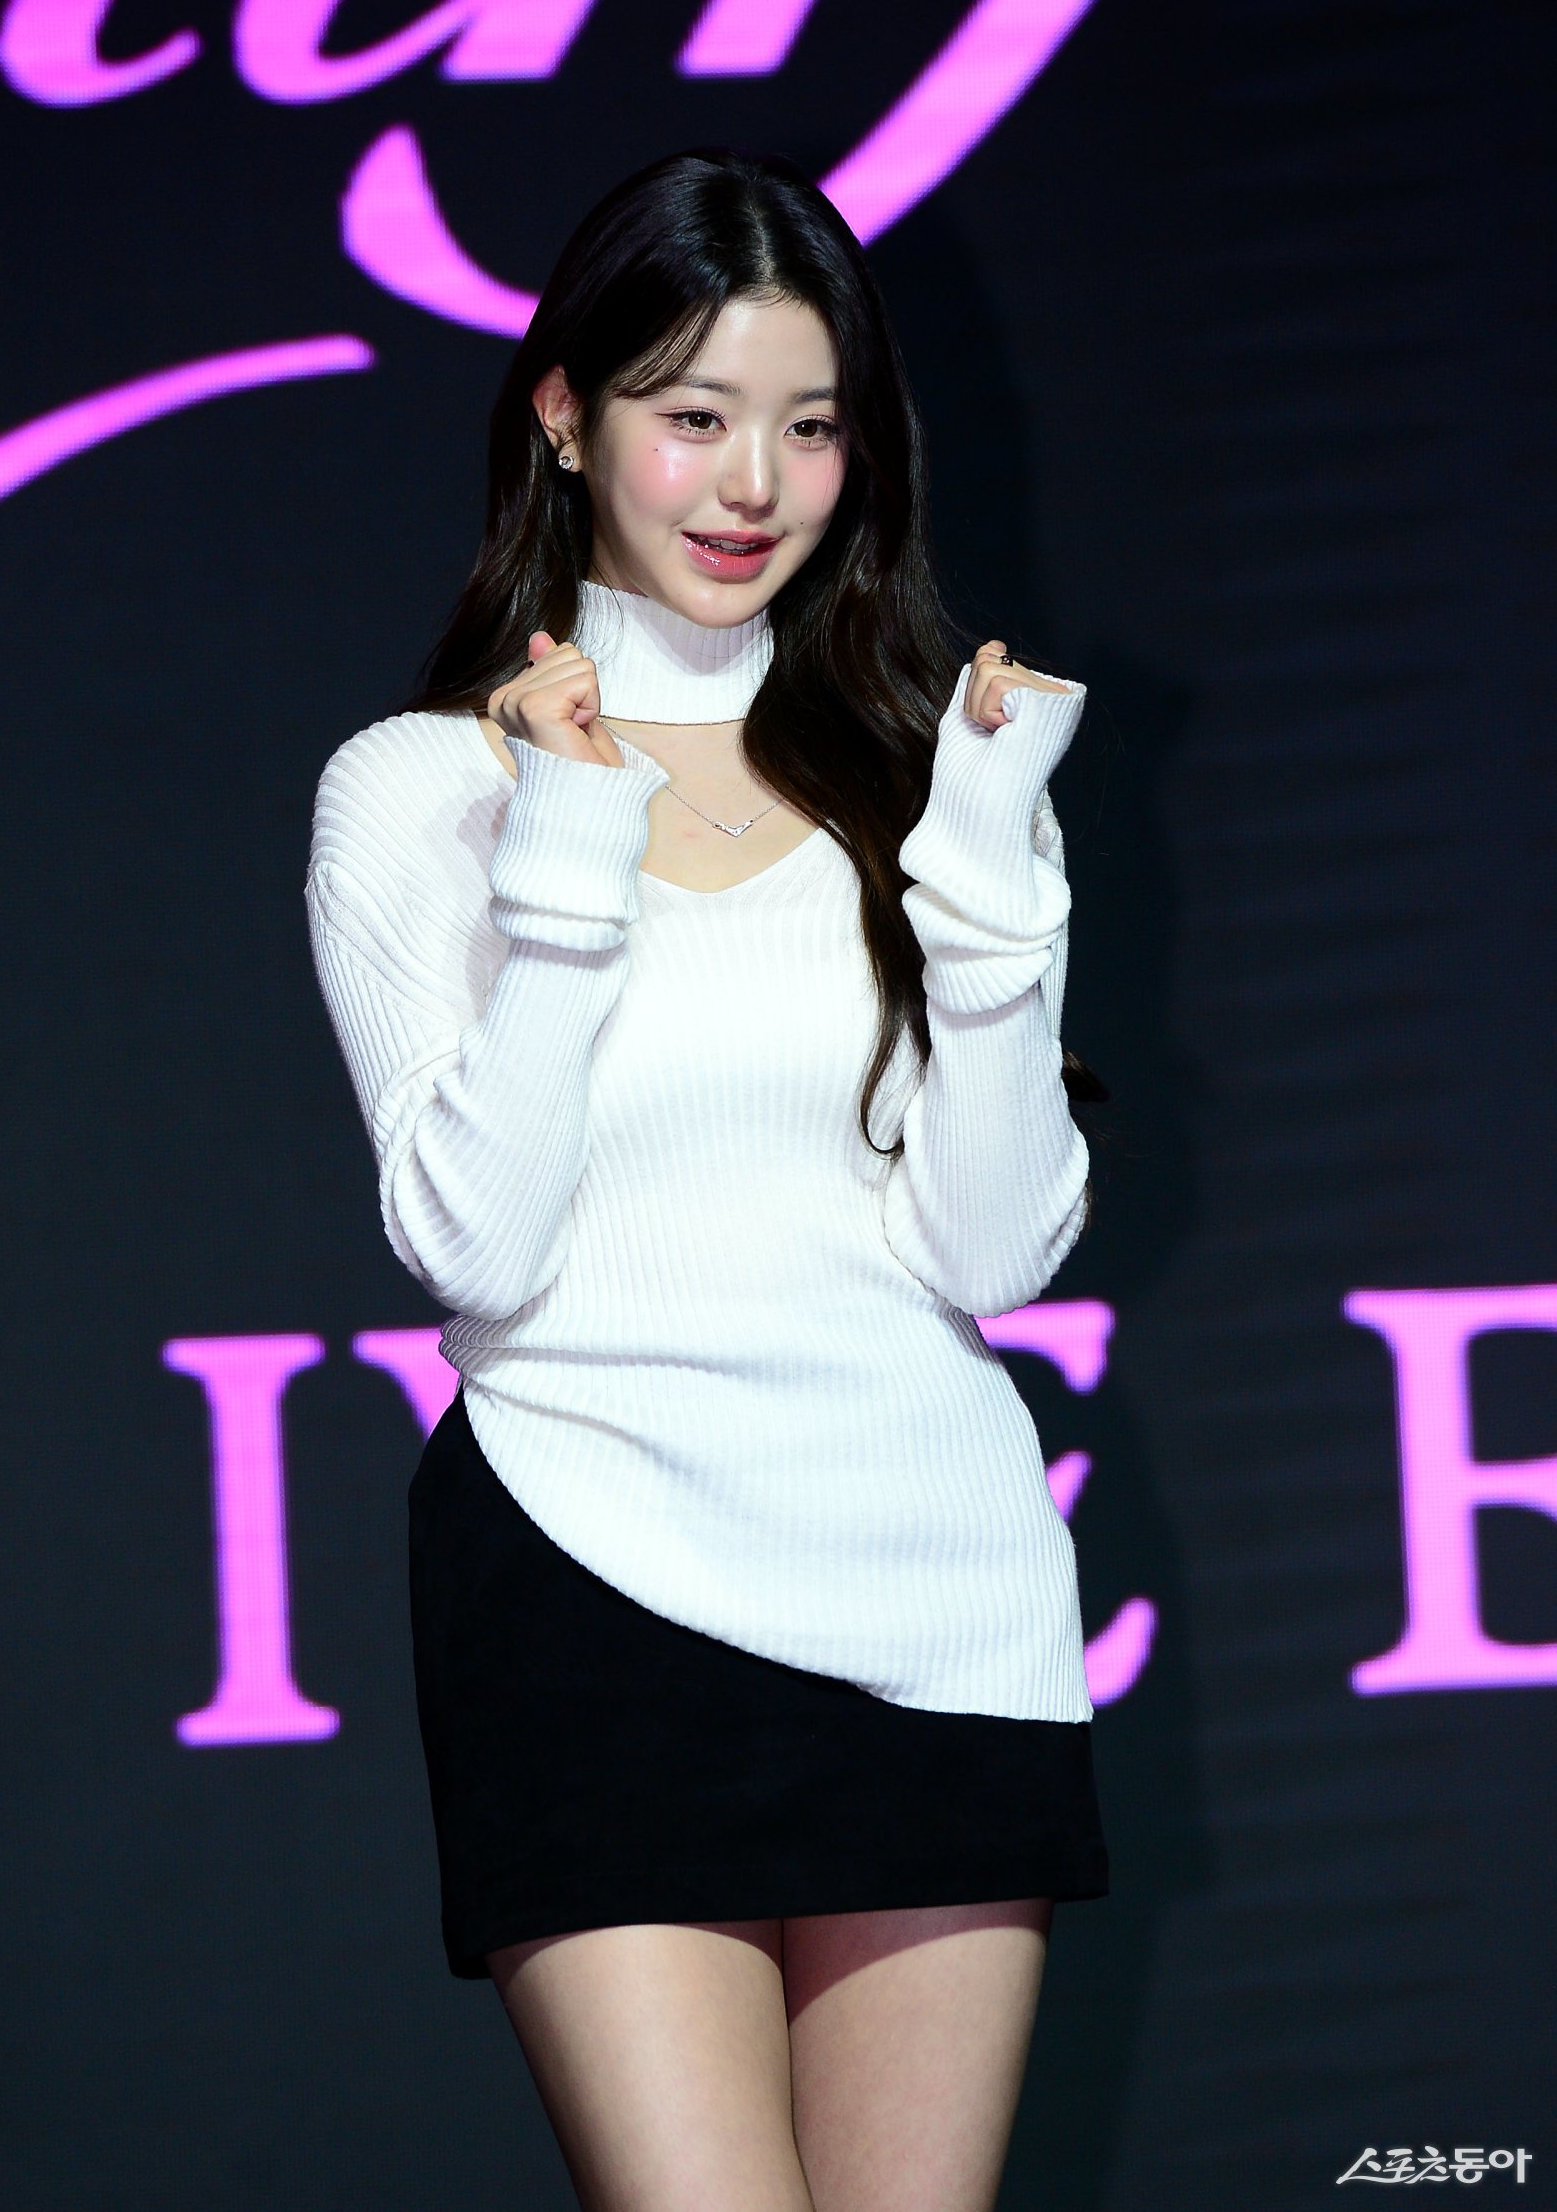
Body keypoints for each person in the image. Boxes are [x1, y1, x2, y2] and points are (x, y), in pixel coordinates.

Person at [306, 143, 1110, 2212]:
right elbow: (473, 1248)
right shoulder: (426, 788)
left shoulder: (934, 776)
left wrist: (987, 888)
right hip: (591, 1584)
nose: (755, 483)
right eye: (693, 414)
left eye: (810, 425)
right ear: (566, 417)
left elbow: (993, 1251)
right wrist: (567, 863)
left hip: (935, 1603)